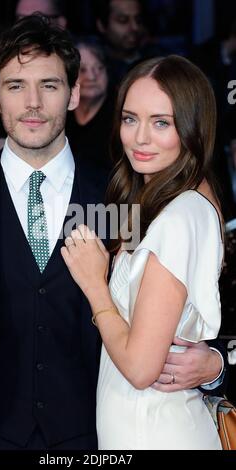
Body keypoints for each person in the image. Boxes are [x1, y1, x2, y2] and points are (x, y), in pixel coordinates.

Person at [0, 15, 226, 450]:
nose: (33, 103)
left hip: (92, 437)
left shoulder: (119, 196)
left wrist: (216, 364)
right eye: (16, 86)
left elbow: (179, 303)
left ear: (74, 94)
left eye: (49, 86)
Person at [61, 55, 225, 449]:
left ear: (192, 127)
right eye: (130, 119)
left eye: (161, 122)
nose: (140, 138)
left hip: (157, 432)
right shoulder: (164, 200)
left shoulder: (180, 215)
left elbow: (140, 368)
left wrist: (94, 285)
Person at [66, 36, 115, 170]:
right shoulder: (60, 112)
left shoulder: (119, 116)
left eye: (99, 68)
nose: (92, 77)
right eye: (82, 70)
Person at [95, 0, 165, 87]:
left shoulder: (158, 59)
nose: (135, 27)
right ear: (101, 25)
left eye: (138, 20)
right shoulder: (94, 64)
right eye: (123, 20)